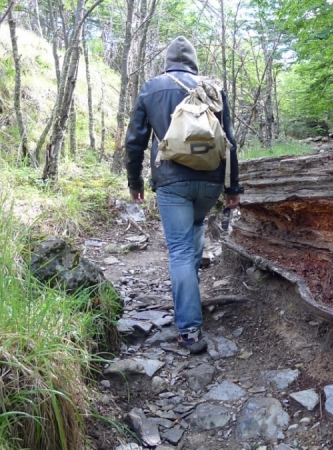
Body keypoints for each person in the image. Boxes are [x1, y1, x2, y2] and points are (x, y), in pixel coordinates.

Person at [125, 36, 243, 353]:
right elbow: (229, 140)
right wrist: (233, 188)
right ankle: (188, 303)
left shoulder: (152, 88)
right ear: (193, 62)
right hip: (210, 181)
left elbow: (134, 142)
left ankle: (189, 329)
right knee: (194, 233)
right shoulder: (212, 89)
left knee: (178, 251)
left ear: (167, 62)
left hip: (171, 181)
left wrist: (135, 182)